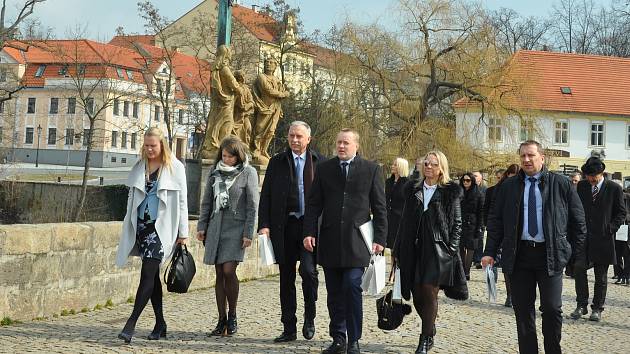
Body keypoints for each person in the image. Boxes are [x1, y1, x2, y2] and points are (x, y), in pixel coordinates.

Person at [482, 140, 586, 354]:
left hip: (550, 255)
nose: (526, 160)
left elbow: (579, 222)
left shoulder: (561, 184)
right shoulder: (508, 187)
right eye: (522, 157)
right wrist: (490, 251)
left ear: (542, 157)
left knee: (552, 309)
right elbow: (496, 221)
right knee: (523, 311)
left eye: (531, 155)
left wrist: (573, 255)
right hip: (519, 255)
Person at [303, 128, 387, 354]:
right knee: (334, 293)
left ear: (356, 146)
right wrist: (309, 232)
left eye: (346, 143)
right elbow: (313, 204)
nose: (341, 146)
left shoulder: (371, 170)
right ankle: (338, 338)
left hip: (357, 242)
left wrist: (380, 238)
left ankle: (354, 340)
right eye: (339, 142)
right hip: (330, 241)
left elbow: (380, 207)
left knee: (351, 286)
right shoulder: (324, 169)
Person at [116, 127, 189, 343]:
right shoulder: (141, 165)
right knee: (152, 276)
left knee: (147, 273)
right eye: (146, 145)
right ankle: (160, 324)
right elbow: (132, 197)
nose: (149, 149)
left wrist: (183, 233)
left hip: (162, 228)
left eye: (153, 146)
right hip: (142, 226)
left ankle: (131, 324)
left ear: (162, 145)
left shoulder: (175, 167)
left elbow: (183, 201)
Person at [258, 121, 324, 343]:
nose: (295, 140)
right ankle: (289, 327)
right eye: (291, 136)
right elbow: (265, 195)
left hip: (310, 228)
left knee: (308, 272)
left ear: (308, 139)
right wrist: (264, 224)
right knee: (286, 278)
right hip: (284, 226)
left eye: (299, 136)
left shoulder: (319, 163)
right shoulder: (277, 162)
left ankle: (310, 317)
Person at [394, 150, 462, 354]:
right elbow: (403, 222)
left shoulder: (450, 192)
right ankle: (430, 327)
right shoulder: (413, 190)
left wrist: (450, 250)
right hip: (412, 249)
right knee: (416, 295)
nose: (429, 167)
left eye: (433, 164)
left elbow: (457, 225)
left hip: (436, 251)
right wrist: (397, 249)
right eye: (426, 164)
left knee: (429, 293)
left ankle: (424, 340)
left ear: (441, 168)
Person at [197, 136, 259, 336]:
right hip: (216, 228)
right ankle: (221, 318)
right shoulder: (215, 173)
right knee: (219, 274)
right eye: (223, 156)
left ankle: (232, 315)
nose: (226, 160)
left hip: (237, 229)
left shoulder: (248, 173)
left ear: (238, 156)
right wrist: (202, 226)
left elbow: (252, 206)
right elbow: (206, 202)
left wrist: (248, 233)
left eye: (230, 157)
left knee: (229, 270)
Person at [570, 157, 626, 322]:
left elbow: (621, 213)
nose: (590, 179)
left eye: (593, 176)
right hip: (583, 238)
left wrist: (610, 228)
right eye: (587, 176)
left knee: (600, 276)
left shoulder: (614, 188)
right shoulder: (582, 186)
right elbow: (576, 208)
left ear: (601, 173)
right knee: (579, 270)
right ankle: (581, 305)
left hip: (603, 239)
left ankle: (597, 308)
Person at [484, 164, 519, 307]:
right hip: (502, 230)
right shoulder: (498, 189)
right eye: (511, 175)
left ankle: (517, 294)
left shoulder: (522, 186)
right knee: (506, 264)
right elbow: (492, 211)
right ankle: (510, 294)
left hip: (517, 231)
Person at [201, 45, 241, 159]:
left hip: (218, 103)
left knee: (215, 123)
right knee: (227, 124)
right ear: (227, 55)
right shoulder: (225, 69)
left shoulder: (215, 69)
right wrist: (240, 89)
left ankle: (213, 146)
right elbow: (235, 85)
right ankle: (220, 147)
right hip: (226, 103)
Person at [251, 58, 290, 164]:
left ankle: (263, 150)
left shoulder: (276, 79)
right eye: (267, 62)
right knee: (259, 128)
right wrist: (282, 94)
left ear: (275, 66)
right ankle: (255, 149)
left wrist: (284, 91)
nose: (268, 64)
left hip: (275, 107)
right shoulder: (261, 77)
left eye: (271, 62)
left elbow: (282, 89)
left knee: (271, 130)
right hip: (264, 107)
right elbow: (267, 89)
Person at [386, 157, 410, 282]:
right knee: (391, 246)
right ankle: (392, 269)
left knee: (398, 246)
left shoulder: (407, 183)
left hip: (400, 218)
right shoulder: (388, 182)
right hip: (389, 217)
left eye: (395, 164)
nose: (392, 166)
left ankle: (397, 271)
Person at [458, 172, 483, 280]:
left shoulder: (478, 194)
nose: (465, 182)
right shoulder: (459, 192)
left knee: (471, 248)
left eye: (468, 180)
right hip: (460, 223)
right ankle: (463, 271)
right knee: (461, 248)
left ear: (472, 181)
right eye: (464, 180)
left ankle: (467, 271)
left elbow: (480, 213)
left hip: (472, 224)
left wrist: (480, 228)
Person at [232, 70, 254, 146]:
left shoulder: (246, 89)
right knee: (235, 133)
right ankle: (236, 146)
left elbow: (251, 101)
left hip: (245, 115)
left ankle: (245, 146)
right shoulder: (234, 88)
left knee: (248, 129)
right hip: (236, 115)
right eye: (240, 76)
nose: (242, 78)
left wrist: (247, 106)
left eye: (243, 76)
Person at [613, 187, 630, 285]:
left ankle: (626, 275)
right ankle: (620, 275)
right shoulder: (613, 198)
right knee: (617, 254)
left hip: (627, 228)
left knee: (627, 253)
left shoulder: (626, 197)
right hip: (617, 228)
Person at [471, 171, 486, 268]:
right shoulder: (467, 188)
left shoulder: (485, 190)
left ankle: (477, 259)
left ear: (481, 178)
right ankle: (470, 259)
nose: (473, 177)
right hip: (470, 218)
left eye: (476, 176)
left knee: (479, 239)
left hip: (481, 218)